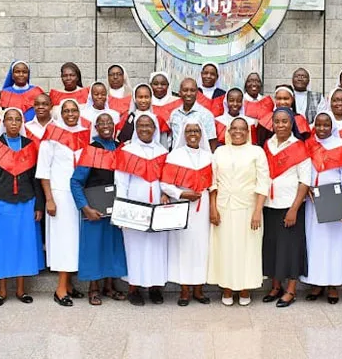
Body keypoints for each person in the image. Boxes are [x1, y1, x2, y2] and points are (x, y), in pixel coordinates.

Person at [0, 108, 45, 307]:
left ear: (21, 123)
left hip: (26, 202)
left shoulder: (29, 145)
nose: (13, 123)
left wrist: (39, 204)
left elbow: (36, 177)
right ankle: (1, 291)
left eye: (17, 119)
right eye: (9, 119)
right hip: (1, 202)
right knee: (3, 247)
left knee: (23, 246)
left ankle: (20, 290)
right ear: (4, 122)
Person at [208, 117, 269, 306]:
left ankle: (244, 289)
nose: (237, 132)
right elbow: (213, 182)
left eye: (242, 129)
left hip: (249, 208)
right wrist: (213, 208)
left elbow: (263, 182)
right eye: (234, 128)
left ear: (248, 132)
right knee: (225, 248)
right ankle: (226, 288)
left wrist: (258, 211)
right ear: (228, 130)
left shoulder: (256, 152)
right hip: (223, 208)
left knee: (247, 249)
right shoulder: (219, 151)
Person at [70, 113, 128, 306]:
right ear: (96, 127)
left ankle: (109, 287)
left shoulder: (120, 148)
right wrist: (85, 208)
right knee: (94, 247)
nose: (105, 125)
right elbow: (76, 181)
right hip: (95, 209)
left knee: (112, 247)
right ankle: (93, 288)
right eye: (101, 123)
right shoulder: (91, 149)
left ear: (114, 126)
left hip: (116, 208)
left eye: (109, 122)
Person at [36, 99, 89, 307]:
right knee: (63, 241)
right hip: (60, 194)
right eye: (66, 110)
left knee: (76, 240)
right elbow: (44, 170)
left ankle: (69, 285)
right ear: (60, 113)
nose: (70, 114)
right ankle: (59, 288)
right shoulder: (52, 133)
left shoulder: (85, 132)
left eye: (74, 110)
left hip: (81, 194)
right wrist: (49, 198)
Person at [114, 114, 169, 306]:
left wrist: (165, 195)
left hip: (158, 208)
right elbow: (121, 182)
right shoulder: (127, 151)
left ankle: (155, 288)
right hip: (134, 206)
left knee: (156, 247)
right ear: (136, 129)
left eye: (149, 126)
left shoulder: (162, 152)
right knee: (135, 247)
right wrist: (122, 209)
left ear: (155, 129)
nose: (145, 129)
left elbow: (166, 180)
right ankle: (134, 288)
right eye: (141, 126)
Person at [262, 107, 311, 307]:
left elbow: (304, 181)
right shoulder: (267, 145)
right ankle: (275, 286)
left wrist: (294, 209)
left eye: (285, 121)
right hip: (269, 205)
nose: (280, 125)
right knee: (272, 246)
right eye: (277, 121)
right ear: (272, 124)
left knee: (291, 248)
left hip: (290, 206)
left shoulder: (299, 146)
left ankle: (291, 290)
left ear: (292, 124)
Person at [301, 112, 342, 304]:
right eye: (319, 125)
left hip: (335, 196)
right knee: (315, 243)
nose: (322, 129)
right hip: (313, 199)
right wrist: (306, 190)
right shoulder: (308, 145)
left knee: (334, 243)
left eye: (326, 125)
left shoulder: (341, 146)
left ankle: (333, 285)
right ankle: (316, 283)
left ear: (332, 126)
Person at [161, 119, 214, 306]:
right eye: (189, 130)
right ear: (183, 133)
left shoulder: (209, 157)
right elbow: (165, 184)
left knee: (201, 247)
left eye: (196, 131)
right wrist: (181, 193)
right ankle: (184, 291)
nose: (193, 134)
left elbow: (214, 185)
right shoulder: (174, 156)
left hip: (203, 207)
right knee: (182, 247)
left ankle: (199, 290)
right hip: (182, 206)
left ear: (201, 134)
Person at [169, 78, 217, 151]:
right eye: (185, 90)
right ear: (180, 92)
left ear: (197, 92)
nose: (188, 94)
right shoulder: (174, 114)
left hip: (199, 159)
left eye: (192, 90)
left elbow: (212, 142)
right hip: (177, 159)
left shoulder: (206, 114)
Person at [117, 83, 171, 148]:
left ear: (151, 98)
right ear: (134, 98)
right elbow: (121, 141)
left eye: (146, 97)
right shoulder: (128, 118)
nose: (143, 101)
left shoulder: (158, 119)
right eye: (140, 97)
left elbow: (164, 145)